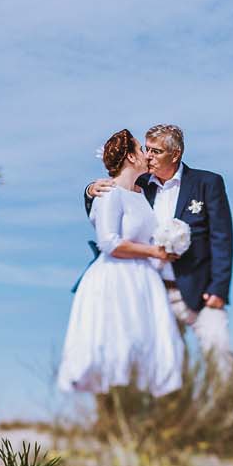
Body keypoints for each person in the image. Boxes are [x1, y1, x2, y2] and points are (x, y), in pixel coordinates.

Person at [83, 123, 233, 377]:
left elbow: (222, 237)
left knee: (219, 351)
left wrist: (219, 288)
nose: (149, 156)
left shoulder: (207, 183)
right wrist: (89, 190)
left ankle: (229, 413)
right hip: (153, 291)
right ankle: (178, 414)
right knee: (169, 362)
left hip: (199, 290)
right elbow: (109, 202)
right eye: (147, 149)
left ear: (175, 155)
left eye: (156, 152)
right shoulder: (140, 185)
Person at [56, 129, 185, 396]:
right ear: (129, 156)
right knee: (117, 341)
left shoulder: (140, 192)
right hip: (116, 278)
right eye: (141, 150)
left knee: (147, 344)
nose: (147, 155)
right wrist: (154, 252)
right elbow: (109, 242)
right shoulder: (109, 193)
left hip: (143, 279)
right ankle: (113, 407)